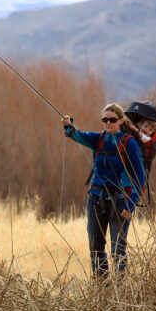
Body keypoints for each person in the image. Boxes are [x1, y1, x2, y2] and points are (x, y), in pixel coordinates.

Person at [61, 103, 145, 281]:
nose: (108, 123)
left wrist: (131, 204)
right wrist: (69, 125)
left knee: (117, 250)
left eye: (112, 120)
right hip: (96, 200)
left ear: (121, 121)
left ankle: (120, 291)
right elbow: (77, 135)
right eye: (104, 120)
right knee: (96, 248)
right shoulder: (98, 138)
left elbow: (139, 176)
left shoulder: (129, 144)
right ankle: (102, 290)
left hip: (120, 201)